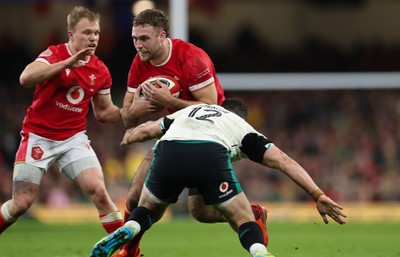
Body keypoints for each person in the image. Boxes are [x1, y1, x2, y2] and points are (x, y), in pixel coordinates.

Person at [90, 97, 347, 257]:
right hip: (209, 154)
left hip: (169, 150)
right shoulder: (242, 128)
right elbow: (284, 161)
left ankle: (131, 227)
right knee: (243, 217)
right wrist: (318, 194)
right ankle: (259, 252)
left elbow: (149, 129)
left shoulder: (192, 111)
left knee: (153, 210)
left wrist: (129, 136)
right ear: (240, 117)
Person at [118, 9, 268, 257]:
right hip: (176, 133)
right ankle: (130, 251)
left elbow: (211, 106)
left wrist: (168, 100)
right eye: (134, 38)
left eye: (144, 38)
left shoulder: (192, 58)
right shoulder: (139, 63)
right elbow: (126, 115)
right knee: (135, 196)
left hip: (209, 135)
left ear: (162, 35)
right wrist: (134, 109)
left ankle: (252, 215)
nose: (137, 45)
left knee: (202, 213)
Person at [0, 6, 124, 236]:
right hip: (39, 136)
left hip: (73, 139)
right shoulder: (54, 54)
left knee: (98, 190)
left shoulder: (100, 70)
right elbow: (25, 78)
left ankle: (128, 250)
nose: (93, 38)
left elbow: (105, 113)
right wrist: (66, 64)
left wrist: (129, 112)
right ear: (71, 34)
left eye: (96, 33)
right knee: (21, 203)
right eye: (87, 32)